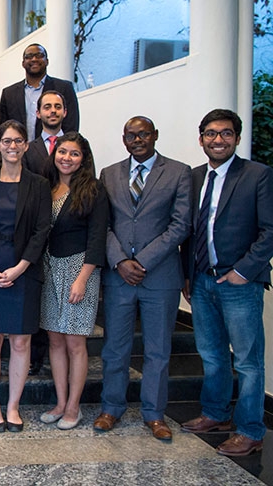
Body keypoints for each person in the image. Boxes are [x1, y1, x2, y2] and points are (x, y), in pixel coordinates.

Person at [180, 109, 273, 457]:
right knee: (211, 353)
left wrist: (244, 270)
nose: (218, 140)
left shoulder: (257, 175)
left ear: (236, 137)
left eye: (226, 133)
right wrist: (186, 274)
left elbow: (270, 231)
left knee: (248, 361)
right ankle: (215, 413)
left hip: (240, 283)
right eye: (211, 133)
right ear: (201, 137)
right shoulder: (193, 177)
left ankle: (250, 430)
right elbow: (189, 231)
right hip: (201, 280)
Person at [95, 116, 191, 441]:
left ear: (155, 136)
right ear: (124, 139)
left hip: (160, 277)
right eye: (131, 135)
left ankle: (154, 414)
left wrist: (142, 261)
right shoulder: (109, 174)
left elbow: (180, 225)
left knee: (157, 350)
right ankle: (111, 408)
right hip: (118, 275)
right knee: (114, 348)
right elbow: (102, 224)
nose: (138, 140)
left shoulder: (179, 172)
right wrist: (121, 260)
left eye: (144, 134)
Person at [0, 120, 50, 433]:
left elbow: (42, 229)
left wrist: (21, 267)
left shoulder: (39, 184)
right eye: (6, 141)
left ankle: (13, 406)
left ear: (26, 145)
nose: (12, 147)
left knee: (21, 342)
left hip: (24, 270)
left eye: (18, 141)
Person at [38, 132, 107, 430]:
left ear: (84, 158)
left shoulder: (93, 189)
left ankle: (74, 407)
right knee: (54, 338)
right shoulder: (47, 187)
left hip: (79, 269)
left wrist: (82, 279)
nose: (67, 158)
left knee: (75, 341)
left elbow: (97, 237)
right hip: (49, 267)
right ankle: (60, 402)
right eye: (62, 152)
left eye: (74, 153)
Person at [22, 90, 70, 376]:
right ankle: (36, 355)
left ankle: (59, 357)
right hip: (36, 233)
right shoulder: (30, 148)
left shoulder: (74, 144)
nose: (52, 111)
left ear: (64, 112)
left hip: (67, 237)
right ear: (37, 113)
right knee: (38, 299)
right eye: (46, 107)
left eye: (57, 107)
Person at [0, 44, 79, 140]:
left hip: (53, 150)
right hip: (19, 152)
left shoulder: (64, 88)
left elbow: (71, 124)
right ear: (23, 63)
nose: (34, 59)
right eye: (29, 56)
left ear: (47, 61)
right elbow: (4, 128)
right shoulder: (9, 93)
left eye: (39, 55)